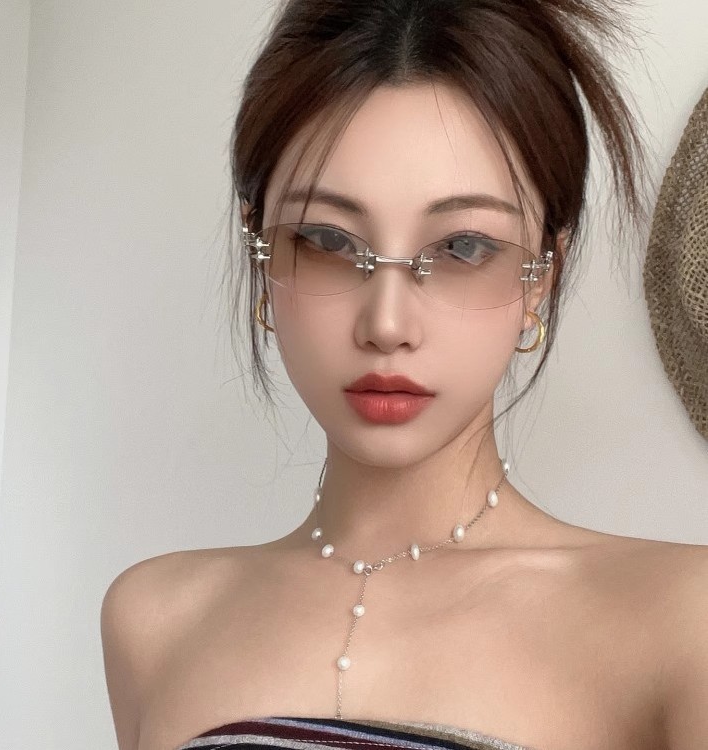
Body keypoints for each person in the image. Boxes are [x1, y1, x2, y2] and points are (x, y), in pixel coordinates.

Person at [100, 2, 708, 749]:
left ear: (542, 277)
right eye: (327, 240)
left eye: (462, 247)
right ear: (262, 253)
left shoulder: (684, 624)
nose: (387, 324)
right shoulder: (156, 621)